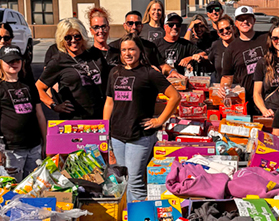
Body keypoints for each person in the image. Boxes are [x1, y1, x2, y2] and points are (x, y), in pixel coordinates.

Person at [103, 36, 180, 202]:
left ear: (139, 51)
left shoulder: (149, 73)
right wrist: (105, 130)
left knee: (135, 181)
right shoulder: (115, 72)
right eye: (124, 50)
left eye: (132, 49)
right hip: (117, 136)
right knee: (123, 179)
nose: (128, 53)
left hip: (139, 135)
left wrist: (159, 121)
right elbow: (109, 102)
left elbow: (174, 96)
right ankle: (128, 217)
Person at [0, 45, 47, 182]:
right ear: (1, 63)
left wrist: (46, 142)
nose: (14, 64)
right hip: (10, 150)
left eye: (17, 60)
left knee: (36, 185)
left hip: (34, 146)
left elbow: (40, 115)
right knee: (13, 189)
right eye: (9, 61)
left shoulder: (28, 85)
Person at [36, 18, 109, 119]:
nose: (73, 40)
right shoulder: (58, 61)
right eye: (68, 38)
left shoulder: (95, 54)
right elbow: (38, 88)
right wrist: (55, 106)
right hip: (74, 120)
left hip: (100, 117)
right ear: (62, 39)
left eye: (77, 36)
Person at [221, 5, 267, 114]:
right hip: (245, 101)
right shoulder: (231, 49)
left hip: (269, 98)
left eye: (248, 18)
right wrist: (223, 88)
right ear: (236, 24)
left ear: (254, 20)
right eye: (241, 19)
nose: (245, 22)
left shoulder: (266, 38)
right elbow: (227, 77)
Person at [206, 15, 236, 84]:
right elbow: (210, 61)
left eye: (227, 28)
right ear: (218, 34)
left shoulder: (240, 45)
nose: (225, 31)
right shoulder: (216, 45)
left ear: (233, 28)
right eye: (221, 30)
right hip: (220, 88)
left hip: (239, 88)